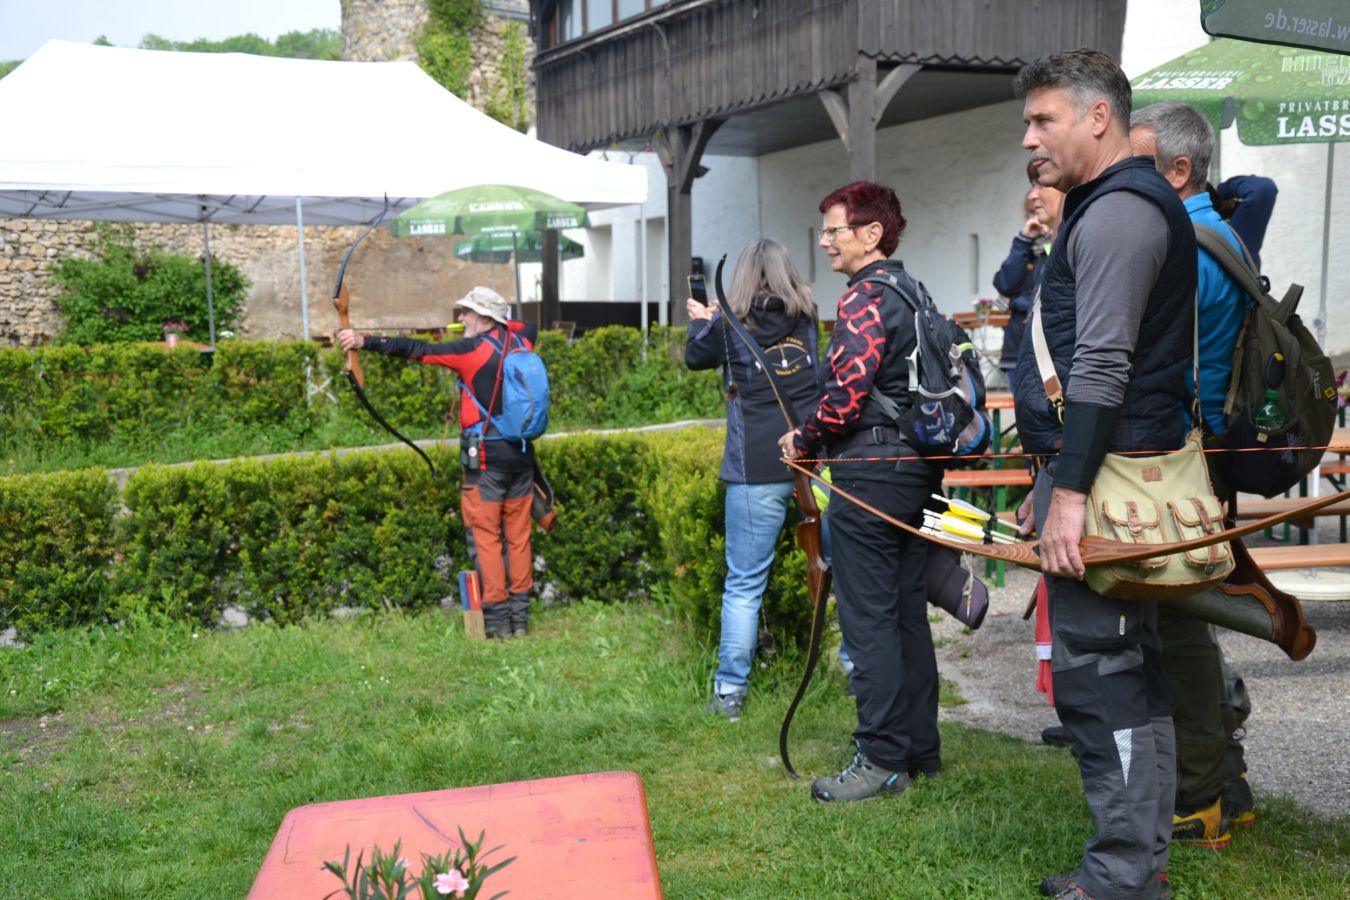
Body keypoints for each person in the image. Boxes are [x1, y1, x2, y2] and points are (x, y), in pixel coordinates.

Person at [1010, 49, 1197, 900]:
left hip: (1110, 484)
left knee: (1100, 679)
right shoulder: (1112, 205)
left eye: (1043, 119)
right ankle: (1137, 865)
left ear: (1097, 117)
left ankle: (1123, 875)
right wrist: (1050, 481)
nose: (1029, 139)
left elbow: (1102, 368)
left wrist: (1070, 495)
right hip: (1106, 473)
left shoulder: (1120, 213)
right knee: (1128, 670)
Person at [777, 181, 944, 803]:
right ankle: (920, 753)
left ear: (871, 234)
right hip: (915, 473)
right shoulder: (914, 292)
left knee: (869, 622)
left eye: (834, 230)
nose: (824, 241)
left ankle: (880, 760)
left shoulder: (865, 297)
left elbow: (845, 396)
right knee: (906, 616)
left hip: (870, 478)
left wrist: (803, 437)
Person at [1130, 101, 1268, 849]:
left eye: (1138, 164)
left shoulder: (1184, 244)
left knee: (1178, 628)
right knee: (1194, 619)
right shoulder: (1224, 232)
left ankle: (1201, 796)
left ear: (1179, 170)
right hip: (1211, 453)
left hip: (1185, 460)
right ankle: (1228, 783)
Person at [336, 286, 539, 640]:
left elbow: (417, 350)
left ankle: (497, 621)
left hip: (485, 460)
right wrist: (497, 320)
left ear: (484, 318)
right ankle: (520, 620)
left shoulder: (470, 351)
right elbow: (526, 326)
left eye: (466, 313)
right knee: (519, 537)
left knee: (486, 537)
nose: (460, 319)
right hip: (522, 456)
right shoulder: (523, 343)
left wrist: (363, 341)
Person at [685, 239, 823, 721]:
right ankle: (856, 672)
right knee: (840, 569)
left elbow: (695, 357)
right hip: (812, 461)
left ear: (740, 275)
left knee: (745, 584)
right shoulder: (808, 319)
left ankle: (730, 693)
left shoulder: (729, 325)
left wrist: (700, 320)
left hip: (754, 468)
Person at [993, 159, 1065, 387]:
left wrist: (1016, 303)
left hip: (1046, 355)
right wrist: (1023, 241)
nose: (1033, 197)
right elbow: (1004, 283)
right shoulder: (1027, 248)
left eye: (1040, 186)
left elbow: (1050, 295)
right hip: (1018, 349)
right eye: (1031, 213)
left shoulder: (1056, 246)